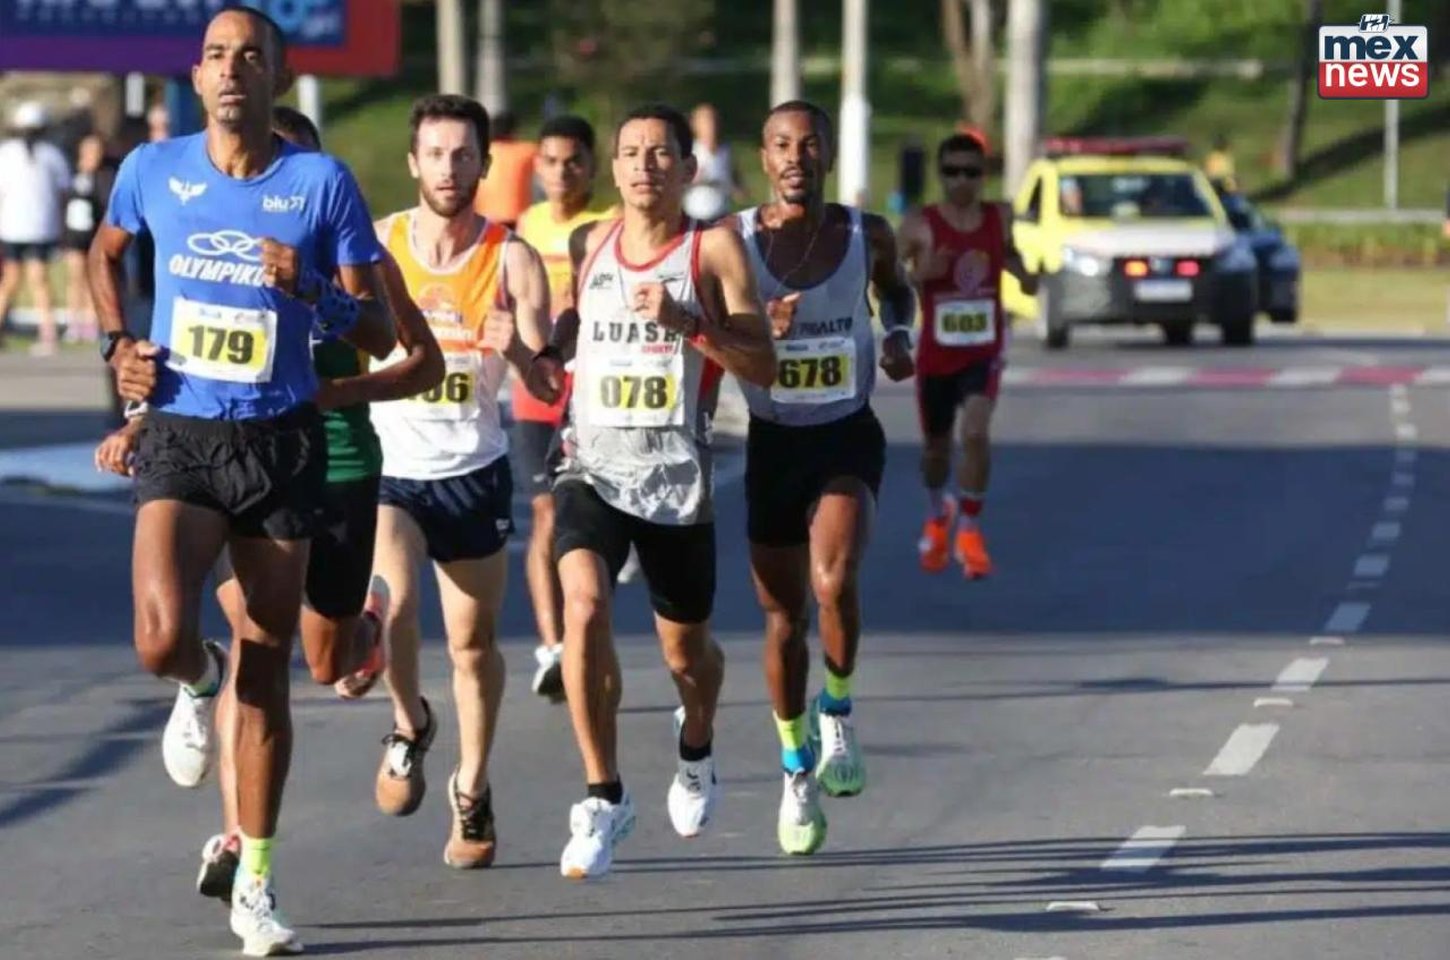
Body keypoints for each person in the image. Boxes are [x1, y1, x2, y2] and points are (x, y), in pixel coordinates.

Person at [88, 8, 402, 954]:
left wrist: (308, 290)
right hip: (183, 430)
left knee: (272, 671)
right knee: (159, 637)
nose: (233, 72)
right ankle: (195, 682)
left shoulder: (320, 184)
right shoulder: (153, 170)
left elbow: (380, 329)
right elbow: (106, 254)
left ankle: (256, 884)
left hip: (282, 440)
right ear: (197, 74)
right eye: (218, 57)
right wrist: (118, 347)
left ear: (280, 77)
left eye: (251, 58)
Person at [525, 102, 776, 880]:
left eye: (660, 154)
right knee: (585, 608)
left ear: (688, 169)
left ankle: (695, 744)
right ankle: (603, 796)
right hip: (591, 467)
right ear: (616, 169)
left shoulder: (716, 249)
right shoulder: (587, 241)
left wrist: (685, 322)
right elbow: (574, 329)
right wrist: (544, 354)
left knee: (687, 655)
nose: (643, 166)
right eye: (630, 153)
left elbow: (762, 366)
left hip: (674, 480)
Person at [367, 94, 552, 869]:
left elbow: (549, 374)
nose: (449, 168)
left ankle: (471, 789)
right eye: (435, 154)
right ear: (414, 163)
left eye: (463, 154)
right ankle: (410, 724)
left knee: (473, 646)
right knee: (395, 606)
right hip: (395, 473)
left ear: (485, 163)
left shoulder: (512, 258)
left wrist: (517, 353)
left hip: (472, 473)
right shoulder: (377, 247)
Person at [733, 101, 915, 855]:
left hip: (845, 434)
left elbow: (896, 287)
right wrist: (753, 333)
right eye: (781, 145)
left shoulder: (864, 233)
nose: (796, 158)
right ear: (763, 157)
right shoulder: (734, 242)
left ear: (829, 154)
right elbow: (704, 321)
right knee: (782, 620)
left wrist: (899, 329)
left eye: (809, 145)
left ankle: (837, 709)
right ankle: (794, 768)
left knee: (833, 581)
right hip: (773, 442)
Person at [897, 132, 1036, 579]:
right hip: (937, 356)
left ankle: (971, 530)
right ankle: (939, 513)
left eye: (971, 172)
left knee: (975, 432)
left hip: (984, 350)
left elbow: (1010, 255)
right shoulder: (920, 224)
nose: (961, 181)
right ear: (940, 175)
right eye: (952, 172)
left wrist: (1026, 277)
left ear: (984, 176)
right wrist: (922, 276)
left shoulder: (999, 216)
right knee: (936, 451)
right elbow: (889, 283)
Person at [512, 114, 619, 700]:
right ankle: (552, 647)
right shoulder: (526, 224)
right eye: (549, 161)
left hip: (594, 388)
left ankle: (583, 627)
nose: (560, 172)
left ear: (591, 166)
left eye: (572, 161)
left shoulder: (607, 225)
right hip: (537, 389)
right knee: (546, 515)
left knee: (591, 524)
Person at [0, 101, 71, 355]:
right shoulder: (53, 155)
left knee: (11, 280)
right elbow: (63, 195)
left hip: (13, 226)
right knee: (38, 281)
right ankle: (48, 334)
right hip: (40, 226)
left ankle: (47, 334)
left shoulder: (8, 152)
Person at [62, 133, 114, 343]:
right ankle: (73, 323)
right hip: (75, 234)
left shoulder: (104, 177)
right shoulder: (74, 174)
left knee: (94, 279)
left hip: (94, 234)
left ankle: (92, 322)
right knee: (75, 278)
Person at [473, 110, 537, 230]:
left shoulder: (480, 152)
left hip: (484, 217)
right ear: (514, 130)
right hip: (518, 218)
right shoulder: (527, 151)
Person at [684, 103, 744, 223]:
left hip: (722, 214)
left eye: (713, 121)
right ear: (695, 125)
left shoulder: (726, 151)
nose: (711, 126)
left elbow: (738, 184)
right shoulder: (690, 151)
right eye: (705, 122)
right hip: (696, 214)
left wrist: (738, 190)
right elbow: (677, 184)